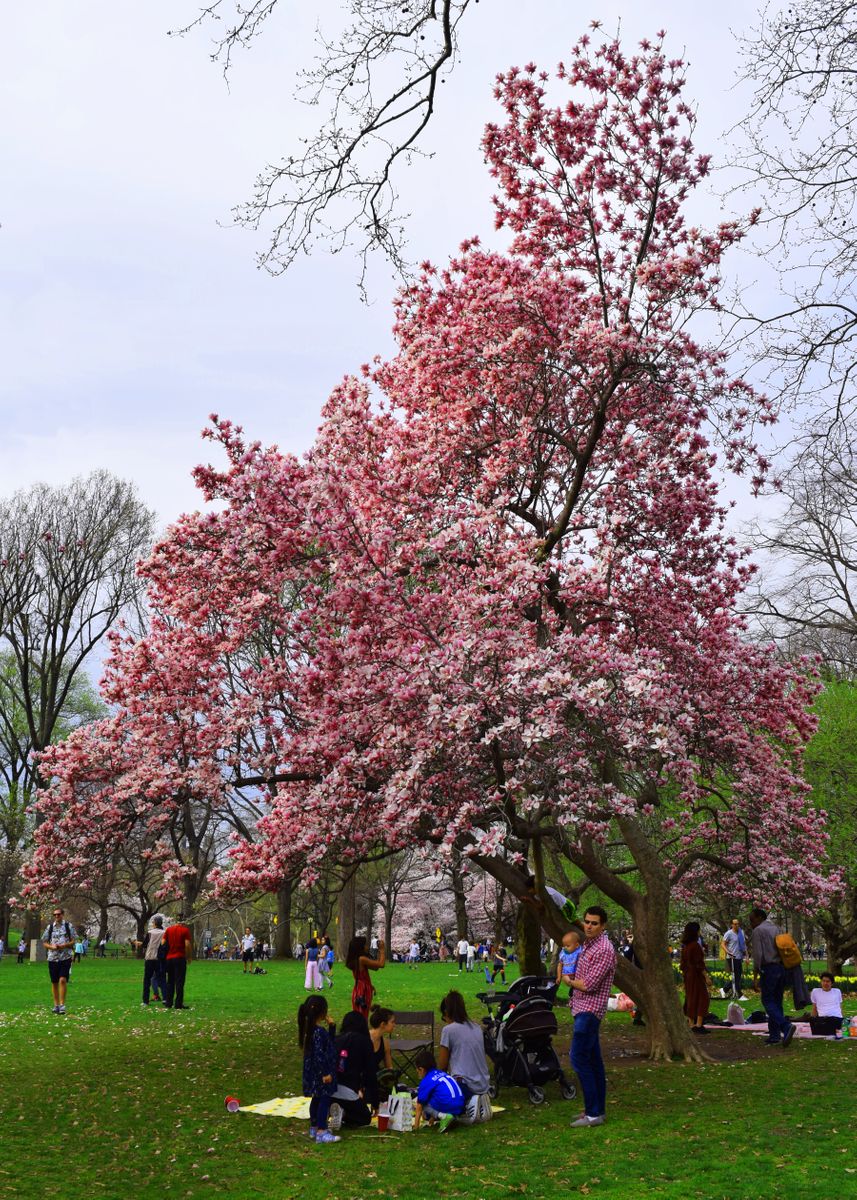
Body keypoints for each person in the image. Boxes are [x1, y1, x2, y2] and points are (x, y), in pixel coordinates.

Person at [568, 905, 617, 1128]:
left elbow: (589, 984)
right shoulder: (590, 943)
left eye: (594, 923)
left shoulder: (604, 949)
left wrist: (568, 981)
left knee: (579, 1059)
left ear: (603, 926)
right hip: (581, 1008)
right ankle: (596, 1110)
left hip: (589, 1010)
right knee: (594, 1060)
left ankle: (593, 1113)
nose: (589, 926)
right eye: (587, 921)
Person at [438, 990, 491, 1123]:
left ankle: (468, 1105)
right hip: (483, 1084)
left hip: (464, 1084)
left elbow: (442, 1066)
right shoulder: (476, 1027)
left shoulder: (448, 1030)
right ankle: (478, 1100)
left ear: (446, 1012)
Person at [749, 907, 795, 1048]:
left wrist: (755, 975)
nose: (751, 923)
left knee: (767, 1000)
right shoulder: (777, 928)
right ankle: (774, 1035)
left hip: (768, 969)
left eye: (752, 920)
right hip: (781, 968)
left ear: (759, 918)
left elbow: (758, 955)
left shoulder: (758, 931)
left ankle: (785, 1026)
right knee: (777, 1002)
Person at [298, 994, 340, 1143]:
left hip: (314, 1072)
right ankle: (321, 1131)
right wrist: (326, 1073)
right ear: (322, 1012)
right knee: (324, 1100)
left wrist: (332, 1028)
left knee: (316, 1098)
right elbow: (320, 1054)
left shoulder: (311, 1031)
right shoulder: (318, 1032)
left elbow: (327, 1044)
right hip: (321, 1072)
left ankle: (314, 1127)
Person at [330, 1010, 380, 1128]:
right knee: (364, 1117)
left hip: (330, 1089)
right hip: (348, 1089)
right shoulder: (364, 1042)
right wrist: (375, 1102)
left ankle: (337, 1111)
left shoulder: (337, 1039)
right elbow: (370, 1074)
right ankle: (344, 1113)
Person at [413, 1049, 465, 1133]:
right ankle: (452, 1117)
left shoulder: (427, 1080)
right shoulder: (441, 1073)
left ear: (421, 1069)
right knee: (433, 1096)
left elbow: (419, 1106)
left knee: (423, 1102)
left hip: (448, 1105)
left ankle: (444, 1116)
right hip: (460, 1105)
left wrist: (416, 1127)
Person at [41, 905, 77, 1015]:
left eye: (58, 914)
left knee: (63, 980)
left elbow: (74, 940)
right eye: (55, 915)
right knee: (54, 982)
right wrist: (51, 947)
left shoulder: (68, 926)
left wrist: (64, 945)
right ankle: (56, 1005)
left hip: (65, 957)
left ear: (62, 915)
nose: (57, 916)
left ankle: (62, 1005)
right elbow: (44, 942)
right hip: (52, 958)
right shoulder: (50, 927)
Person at [680, 922, 711, 1035]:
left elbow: (682, 964)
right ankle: (698, 1024)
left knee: (691, 998)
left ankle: (691, 1023)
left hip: (688, 975)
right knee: (702, 998)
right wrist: (706, 977)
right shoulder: (695, 946)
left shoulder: (685, 947)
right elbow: (699, 964)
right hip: (696, 976)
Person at [346, 935, 386, 1015]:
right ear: (361, 947)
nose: (368, 947)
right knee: (361, 1016)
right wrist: (382, 950)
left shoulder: (357, 959)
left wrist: (369, 985)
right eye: (366, 945)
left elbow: (376, 968)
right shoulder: (362, 959)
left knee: (361, 1015)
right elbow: (381, 964)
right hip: (362, 991)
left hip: (360, 989)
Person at [162, 914, 193, 1010]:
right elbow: (187, 944)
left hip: (169, 958)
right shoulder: (185, 930)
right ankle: (178, 1003)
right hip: (179, 958)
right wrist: (188, 956)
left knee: (170, 981)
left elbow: (163, 942)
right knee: (179, 981)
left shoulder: (168, 930)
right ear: (183, 922)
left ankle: (168, 1002)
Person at [140, 914, 167, 1005]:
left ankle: (145, 1001)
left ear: (155, 923)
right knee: (162, 979)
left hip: (150, 957)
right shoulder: (164, 933)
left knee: (147, 979)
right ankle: (165, 998)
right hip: (160, 959)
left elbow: (144, 945)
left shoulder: (150, 933)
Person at [811, 971, 844, 1037]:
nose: (825, 983)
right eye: (823, 981)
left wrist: (844, 1020)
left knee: (831, 1021)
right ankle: (831, 1030)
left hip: (836, 1019)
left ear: (832, 983)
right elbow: (814, 1008)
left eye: (828, 981)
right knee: (814, 1022)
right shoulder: (815, 991)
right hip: (822, 1019)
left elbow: (840, 1007)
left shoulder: (837, 991)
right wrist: (813, 1020)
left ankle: (832, 1030)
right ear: (821, 982)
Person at [722, 918, 748, 1000]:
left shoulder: (741, 932)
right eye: (735, 924)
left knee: (737, 976)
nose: (737, 925)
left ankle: (724, 989)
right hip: (732, 957)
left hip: (739, 957)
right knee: (737, 975)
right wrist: (728, 952)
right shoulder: (729, 933)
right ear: (731, 925)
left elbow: (744, 945)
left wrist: (747, 956)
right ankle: (739, 994)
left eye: (738, 924)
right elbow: (723, 944)